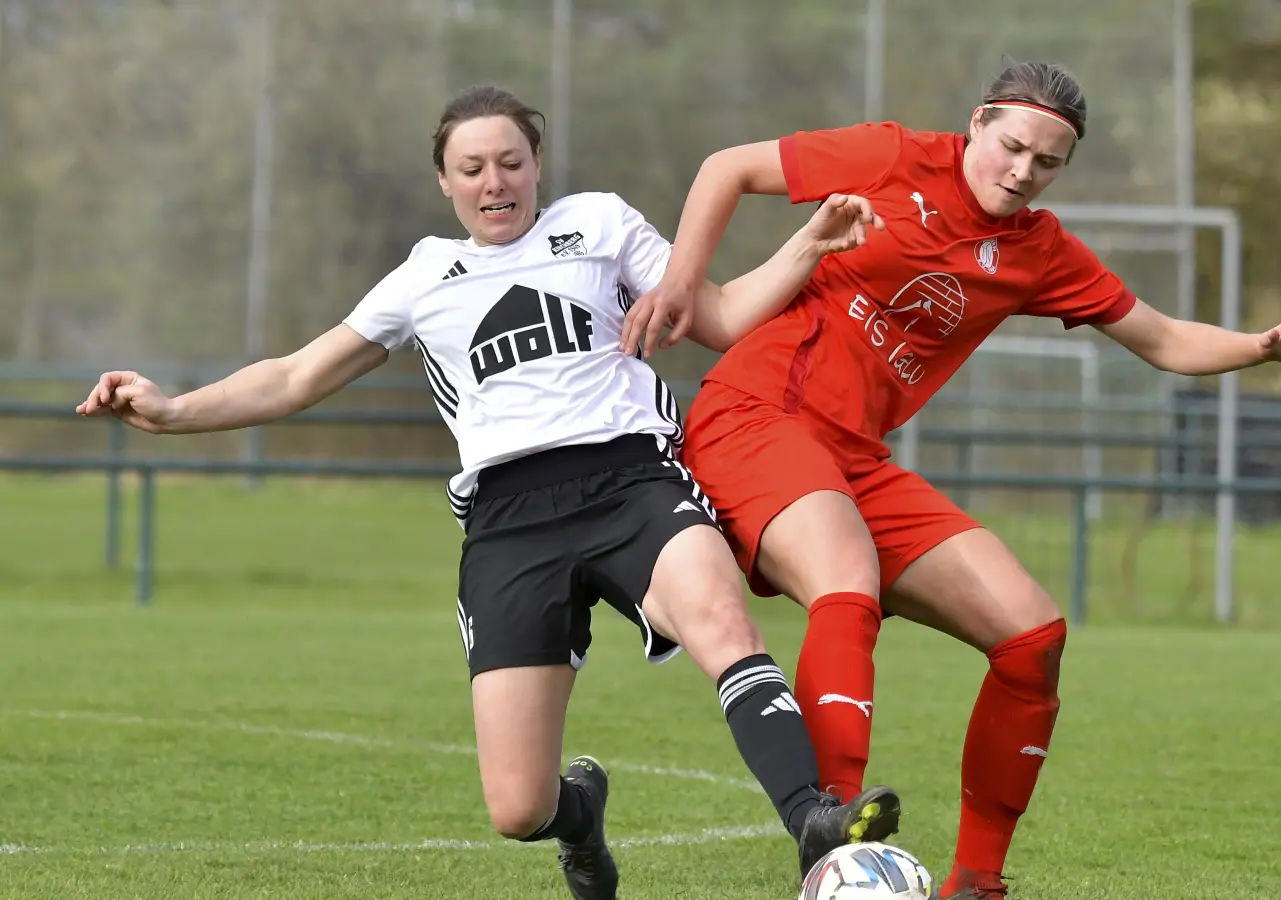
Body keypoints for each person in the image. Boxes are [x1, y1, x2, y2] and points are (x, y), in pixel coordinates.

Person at [75, 84, 903, 900]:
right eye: (471, 168)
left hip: (631, 480)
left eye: (510, 161)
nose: (494, 182)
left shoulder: (600, 224)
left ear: (537, 165)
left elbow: (719, 314)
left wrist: (808, 243)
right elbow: (294, 376)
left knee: (722, 618)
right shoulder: (422, 278)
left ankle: (813, 821)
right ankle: (579, 817)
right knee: (517, 807)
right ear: (444, 180)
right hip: (509, 525)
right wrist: (173, 410)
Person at [621, 61, 1281, 899]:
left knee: (1031, 634)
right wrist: (683, 279)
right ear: (977, 124)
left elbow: (1161, 340)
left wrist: (1265, 347)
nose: (1022, 172)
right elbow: (729, 167)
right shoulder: (891, 155)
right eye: (1011, 147)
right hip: (759, 415)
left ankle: (976, 883)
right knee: (846, 577)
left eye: (1047, 163)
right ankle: (827, 835)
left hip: (856, 458)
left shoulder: (1038, 251)